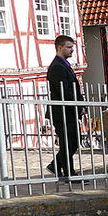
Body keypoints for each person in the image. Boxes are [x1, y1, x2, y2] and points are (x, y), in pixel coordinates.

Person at [46, 35, 85, 179]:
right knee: (68, 142)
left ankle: (55, 166)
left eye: (72, 47)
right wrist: (78, 104)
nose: (72, 50)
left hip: (69, 111)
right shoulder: (57, 67)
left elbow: (74, 88)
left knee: (73, 141)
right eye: (69, 47)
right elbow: (66, 91)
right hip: (62, 112)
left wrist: (80, 104)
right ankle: (69, 173)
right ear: (59, 47)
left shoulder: (64, 65)